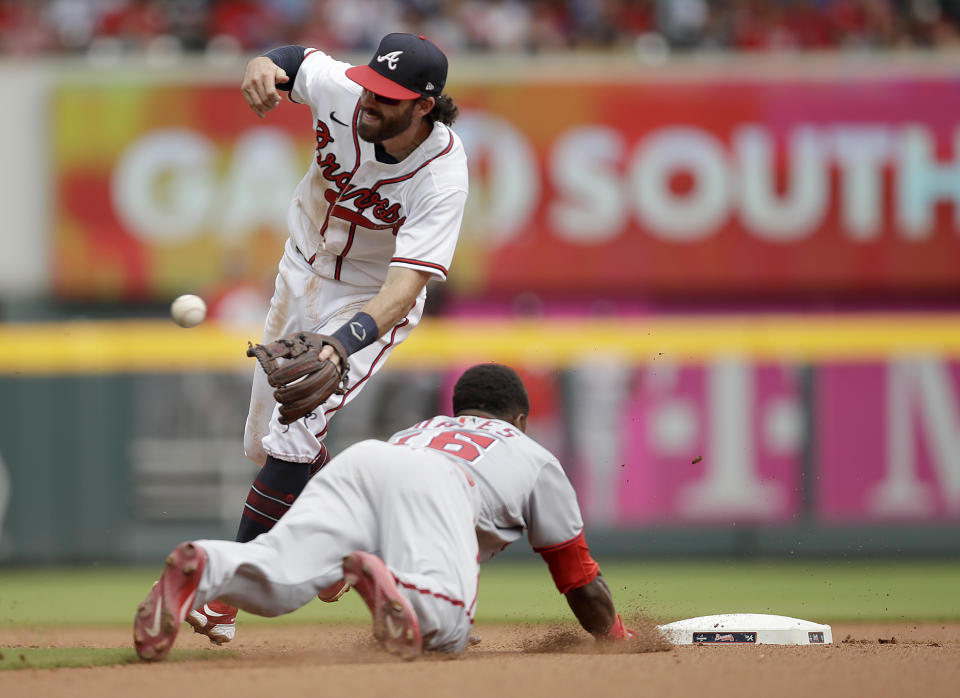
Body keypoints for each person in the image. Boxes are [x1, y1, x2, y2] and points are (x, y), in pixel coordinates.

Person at [188, 33, 469, 643]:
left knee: (294, 426)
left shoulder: (443, 173)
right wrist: (262, 65)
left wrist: (342, 344)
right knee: (264, 448)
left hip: (367, 298)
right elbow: (295, 61)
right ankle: (349, 542)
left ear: (424, 105)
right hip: (299, 270)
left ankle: (228, 594)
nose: (369, 101)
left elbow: (405, 288)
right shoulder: (346, 92)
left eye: (388, 97)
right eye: (371, 85)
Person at [134, 364, 636, 661]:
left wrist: (336, 564)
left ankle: (206, 565)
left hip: (370, 458)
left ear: (458, 409)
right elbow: (578, 579)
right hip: (442, 488)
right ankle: (408, 592)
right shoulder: (533, 455)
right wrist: (616, 637)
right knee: (448, 629)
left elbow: (389, 520)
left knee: (280, 573)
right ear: (520, 420)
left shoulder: (422, 429)